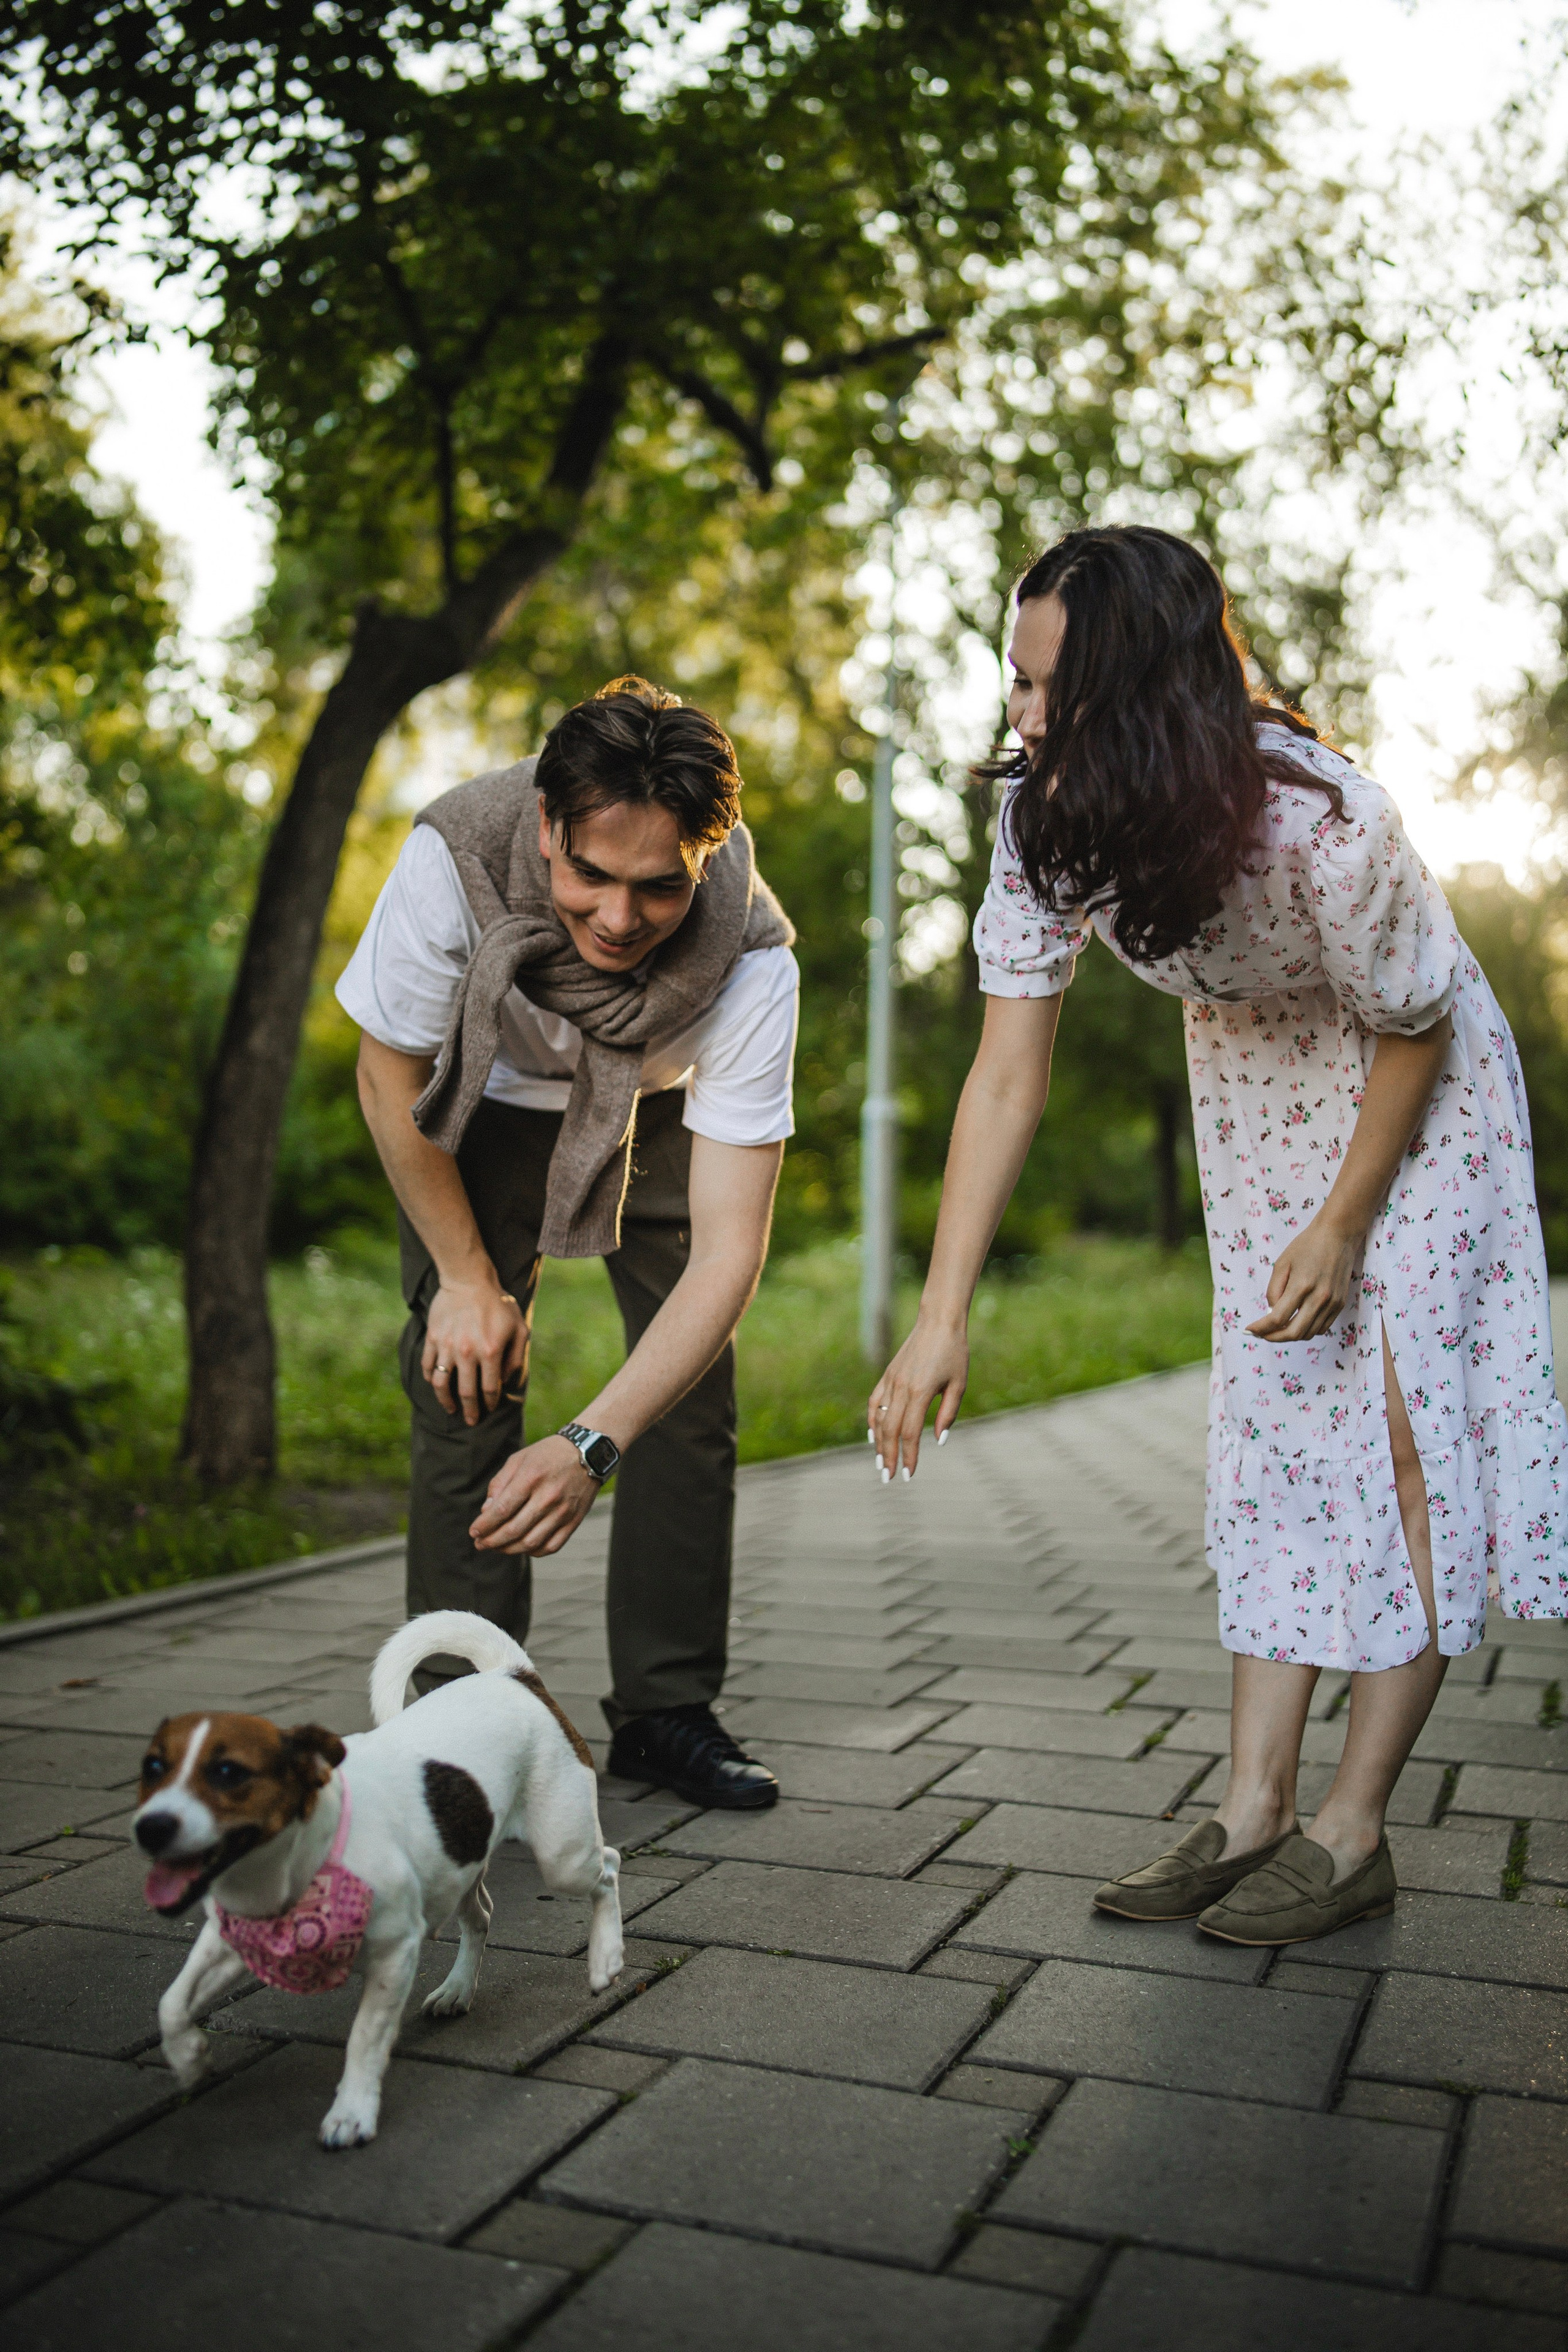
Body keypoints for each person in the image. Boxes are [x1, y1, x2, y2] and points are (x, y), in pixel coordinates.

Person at [869, 526, 1568, 1944]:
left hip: (1416, 1115)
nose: (1018, 710)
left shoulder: (1326, 820)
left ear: (1140, 686)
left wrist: (1343, 1221)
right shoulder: (1041, 821)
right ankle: (1250, 1809)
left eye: (1045, 683)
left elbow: (1414, 1024)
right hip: (1257, 1109)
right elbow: (1005, 1073)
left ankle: (1349, 1828)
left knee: (1397, 1439)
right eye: (1011, 677)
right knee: (1274, 1445)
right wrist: (940, 1311)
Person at [336, 677, 798, 1809]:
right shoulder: (455, 858)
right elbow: (388, 1073)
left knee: (686, 1391)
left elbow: (727, 1260)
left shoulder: (751, 958)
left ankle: (667, 1712)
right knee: (464, 1373)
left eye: (657, 887)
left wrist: (591, 1443)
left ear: (709, 853)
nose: (618, 918)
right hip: (482, 1098)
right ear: (545, 823)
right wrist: (464, 1278)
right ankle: (463, 1727)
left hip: (663, 1100)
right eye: (588, 873)